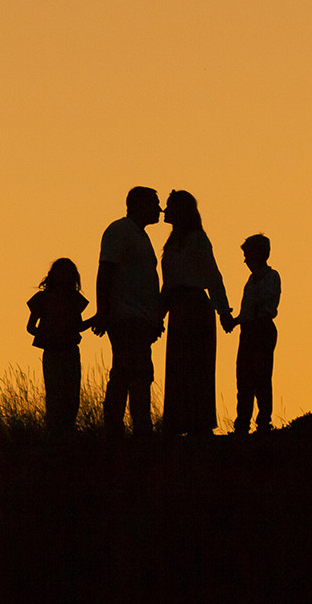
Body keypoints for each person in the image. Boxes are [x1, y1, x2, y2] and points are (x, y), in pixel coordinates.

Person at [158, 189, 231, 436]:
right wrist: (159, 313)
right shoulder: (173, 243)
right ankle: (179, 421)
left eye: (170, 207)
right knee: (179, 365)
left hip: (196, 306)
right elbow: (167, 283)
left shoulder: (197, 239)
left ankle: (199, 423)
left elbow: (213, 276)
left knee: (196, 365)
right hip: (177, 307)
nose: (165, 211)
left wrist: (223, 310)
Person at [93, 186, 163, 436]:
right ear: (139, 204)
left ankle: (127, 427)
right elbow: (106, 271)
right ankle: (128, 428)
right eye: (155, 203)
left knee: (132, 372)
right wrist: (104, 311)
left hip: (140, 318)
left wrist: (154, 317)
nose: (159, 209)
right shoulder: (119, 231)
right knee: (133, 373)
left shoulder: (140, 236)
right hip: (126, 316)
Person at [26, 258, 91, 435]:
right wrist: (47, 335)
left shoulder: (73, 300)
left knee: (71, 394)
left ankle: (66, 431)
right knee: (55, 393)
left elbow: (78, 326)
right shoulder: (43, 299)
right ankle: (55, 433)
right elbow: (30, 327)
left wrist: (96, 319)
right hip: (53, 351)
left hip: (70, 350)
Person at [224, 233, 281, 434]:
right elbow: (248, 310)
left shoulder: (271, 277)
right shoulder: (251, 279)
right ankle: (243, 423)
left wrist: (245, 319)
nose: (245, 260)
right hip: (248, 331)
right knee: (244, 378)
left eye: (247, 254)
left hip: (262, 330)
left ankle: (263, 422)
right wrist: (236, 321)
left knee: (262, 377)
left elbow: (263, 305)